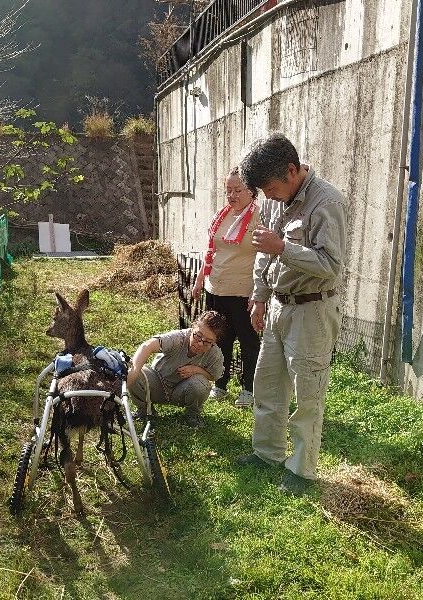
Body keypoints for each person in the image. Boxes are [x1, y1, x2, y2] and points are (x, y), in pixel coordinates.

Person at [236, 133, 347, 495]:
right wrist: (259, 296)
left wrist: (283, 247)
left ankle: (301, 469)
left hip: (312, 310)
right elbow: (263, 253)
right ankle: (267, 453)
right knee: (267, 384)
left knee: (307, 393)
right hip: (277, 306)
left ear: (291, 170)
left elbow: (331, 266)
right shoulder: (275, 201)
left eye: (270, 188)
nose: (268, 197)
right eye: (263, 192)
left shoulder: (327, 202)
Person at [192, 166, 261, 408]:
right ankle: (220, 383)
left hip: (243, 291)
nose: (232, 195)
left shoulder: (259, 217)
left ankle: (248, 389)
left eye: (237, 190)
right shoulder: (222, 215)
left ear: (251, 191)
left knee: (248, 341)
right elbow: (211, 250)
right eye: (228, 190)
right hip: (216, 288)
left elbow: (265, 258)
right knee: (220, 338)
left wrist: (258, 293)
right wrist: (200, 278)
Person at [126, 310, 227, 428]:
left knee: (201, 384)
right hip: (157, 383)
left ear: (215, 342)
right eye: (198, 336)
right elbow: (147, 346)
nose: (200, 343)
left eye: (208, 342)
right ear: (193, 327)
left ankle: (192, 415)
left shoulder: (215, 354)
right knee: (135, 371)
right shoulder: (179, 338)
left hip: (181, 391)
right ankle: (145, 411)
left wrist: (197, 370)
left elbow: (214, 376)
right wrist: (135, 370)